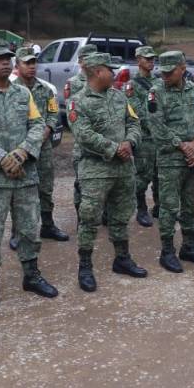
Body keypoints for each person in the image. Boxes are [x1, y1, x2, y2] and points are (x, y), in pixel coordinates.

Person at [0, 40, 58, 312]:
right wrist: (3, 158)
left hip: (25, 175)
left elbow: (37, 124)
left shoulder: (22, 94)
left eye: (8, 58)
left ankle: (31, 276)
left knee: (30, 229)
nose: (5, 62)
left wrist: (22, 154)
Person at [70, 52, 146, 291]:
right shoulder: (78, 101)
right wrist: (114, 148)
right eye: (109, 69)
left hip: (123, 169)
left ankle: (122, 259)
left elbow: (134, 123)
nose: (114, 73)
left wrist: (129, 143)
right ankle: (85, 267)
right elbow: (83, 134)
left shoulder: (119, 97)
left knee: (122, 215)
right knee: (90, 218)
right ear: (97, 72)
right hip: (95, 170)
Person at [148, 51, 194, 272]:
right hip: (170, 160)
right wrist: (181, 145)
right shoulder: (155, 92)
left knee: (190, 204)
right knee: (168, 206)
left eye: (170, 71)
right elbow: (155, 125)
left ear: (182, 68)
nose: (165, 75)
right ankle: (167, 251)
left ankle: (189, 246)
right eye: (162, 72)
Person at [7, 45, 69, 246]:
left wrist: (48, 129)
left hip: (43, 147)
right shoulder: (11, 90)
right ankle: (17, 232)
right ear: (17, 66)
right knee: (20, 190)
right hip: (21, 149)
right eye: (27, 63)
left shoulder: (46, 89)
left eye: (34, 62)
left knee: (45, 187)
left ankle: (47, 225)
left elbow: (53, 112)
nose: (32, 67)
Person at [127, 45, 162, 226]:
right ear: (138, 60)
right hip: (145, 137)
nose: (151, 61)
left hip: (160, 138)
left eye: (152, 58)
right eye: (147, 58)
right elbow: (136, 111)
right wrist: (155, 126)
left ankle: (159, 207)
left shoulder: (159, 82)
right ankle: (141, 208)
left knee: (160, 175)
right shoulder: (133, 85)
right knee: (143, 175)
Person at [65, 43, 99, 222]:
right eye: (88, 58)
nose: (93, 61)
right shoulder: (73, 83)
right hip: (83, 142)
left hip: (103, 140)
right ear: (80, 61)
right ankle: (81, 215)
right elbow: (73, 117)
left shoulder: (102, 80)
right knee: (81, 181)